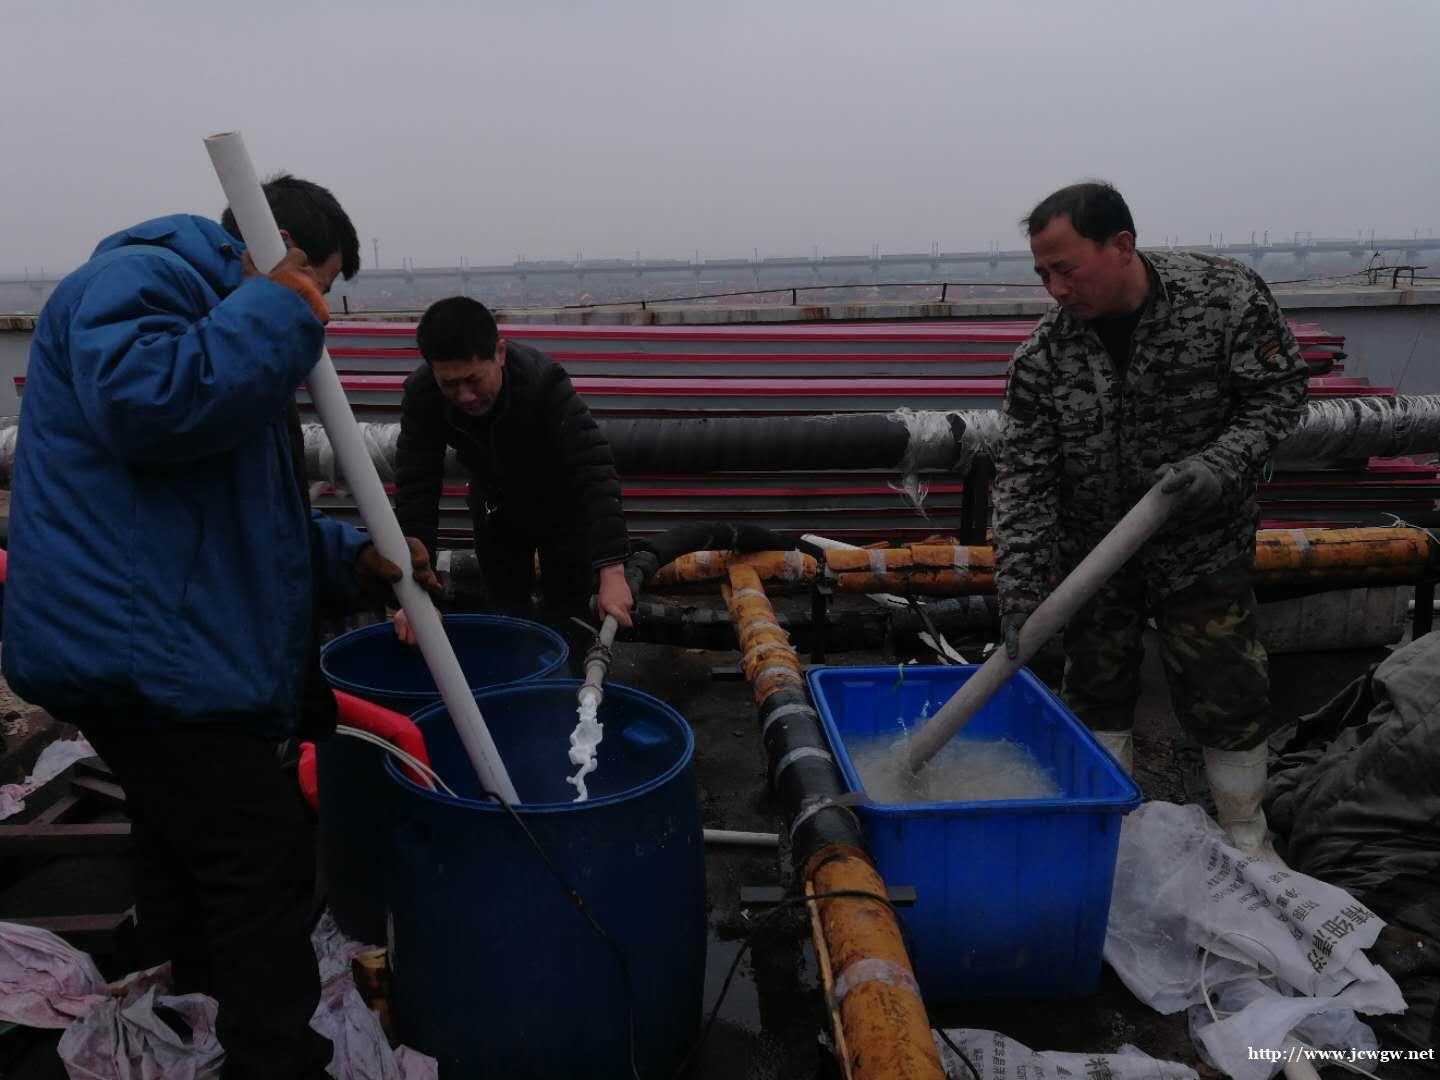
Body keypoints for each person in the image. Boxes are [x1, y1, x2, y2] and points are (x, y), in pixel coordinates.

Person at [2, 176, 439, 1078]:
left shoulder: (210, 319)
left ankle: (185, 997)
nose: (319, 311)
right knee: (260, 853)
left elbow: (234, 517)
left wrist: (347, 556)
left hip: (154, 637)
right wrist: (281, 315)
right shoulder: (139, 282)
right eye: (317, 282)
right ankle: (274, 1058)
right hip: (141, 649)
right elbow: (147, 405)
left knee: (181, 827)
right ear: (276, 249)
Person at [992, 181, 1308, 859]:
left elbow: (1279, 395)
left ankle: (1248, 840)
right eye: (1043, 274)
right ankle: (1118, 846)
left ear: (1122, 246)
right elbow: (1023, 482)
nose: (1054, 289)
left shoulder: (1224, 299)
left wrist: (1219, 463)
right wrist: (1022, 596)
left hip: (1202, 545)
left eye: (1066, 269)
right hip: (1096, 559)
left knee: (1228, 691)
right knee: (1097, 694)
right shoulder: (1042, 361)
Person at [392, 296, 633, 663]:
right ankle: (514, 685)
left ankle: (574, 691)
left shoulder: (543, 382)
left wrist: (612, 569)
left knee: (568, 615)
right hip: (496, 506)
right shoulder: (422, 394)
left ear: (500, 353)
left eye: (473, 379)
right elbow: (416, 487)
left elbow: (593, 465)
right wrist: (412, 595)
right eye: (450, 384)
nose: (465, 396)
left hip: (562, 507)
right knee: (505, 614)